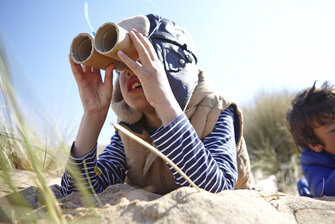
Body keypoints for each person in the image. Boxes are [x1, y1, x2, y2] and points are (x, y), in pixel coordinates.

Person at [60, 14, 253, 197]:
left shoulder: (215, 111)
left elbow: (218, 192)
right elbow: (79, 194)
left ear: (174, 63)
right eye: (121, 65)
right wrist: (93, 115)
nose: (128, 71)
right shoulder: (128, 131)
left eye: (139, 59)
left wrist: (163, 102)